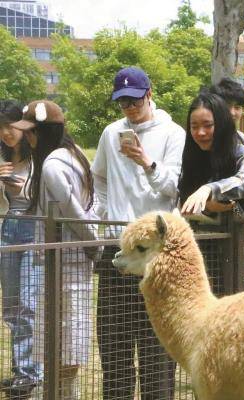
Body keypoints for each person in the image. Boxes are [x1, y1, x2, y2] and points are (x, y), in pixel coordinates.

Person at [92, 66, 185, 400]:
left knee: (155, 348)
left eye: (134, 100)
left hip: (154, 254)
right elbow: (98, 177)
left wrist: (147, 162)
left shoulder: (173, 133)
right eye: (123, 102)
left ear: (149, 94)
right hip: (117, 247)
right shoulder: (110, 133)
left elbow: (173, 189)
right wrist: (106, 210)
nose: (130, 108)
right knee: (113, 343)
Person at [11, 99, 99, 399]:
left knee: (63, 346)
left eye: (31, 132)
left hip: (63, 267)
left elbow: (73, 213)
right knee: (65, 346)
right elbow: (92, 204)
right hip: (68, 266)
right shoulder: (73, 156)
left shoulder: (52, 165)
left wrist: (94, 246)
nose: (27, 138)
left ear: (45, 132)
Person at [179, 91, 244, 289]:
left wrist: (209, 189)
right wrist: (208, 208)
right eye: (194, 126)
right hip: (205, 268)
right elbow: (184, 204)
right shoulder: (192, 159)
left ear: (222, 124)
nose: (200, 132)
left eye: (208, 125)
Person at [0, 100, 41, 399]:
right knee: (12, 305)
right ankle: (20, 371)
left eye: (10, 126)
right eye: (0, 128)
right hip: (7, 228)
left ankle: (30, 373)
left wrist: (20, 187)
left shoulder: (39, 157)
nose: (5, 133)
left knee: (27, 304)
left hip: (33, 227)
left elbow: (42, 195)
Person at [207, 77, 244, 148]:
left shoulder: (241, 137)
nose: (232, 113)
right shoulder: (205, 139)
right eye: (226, 106)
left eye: (237, 107)